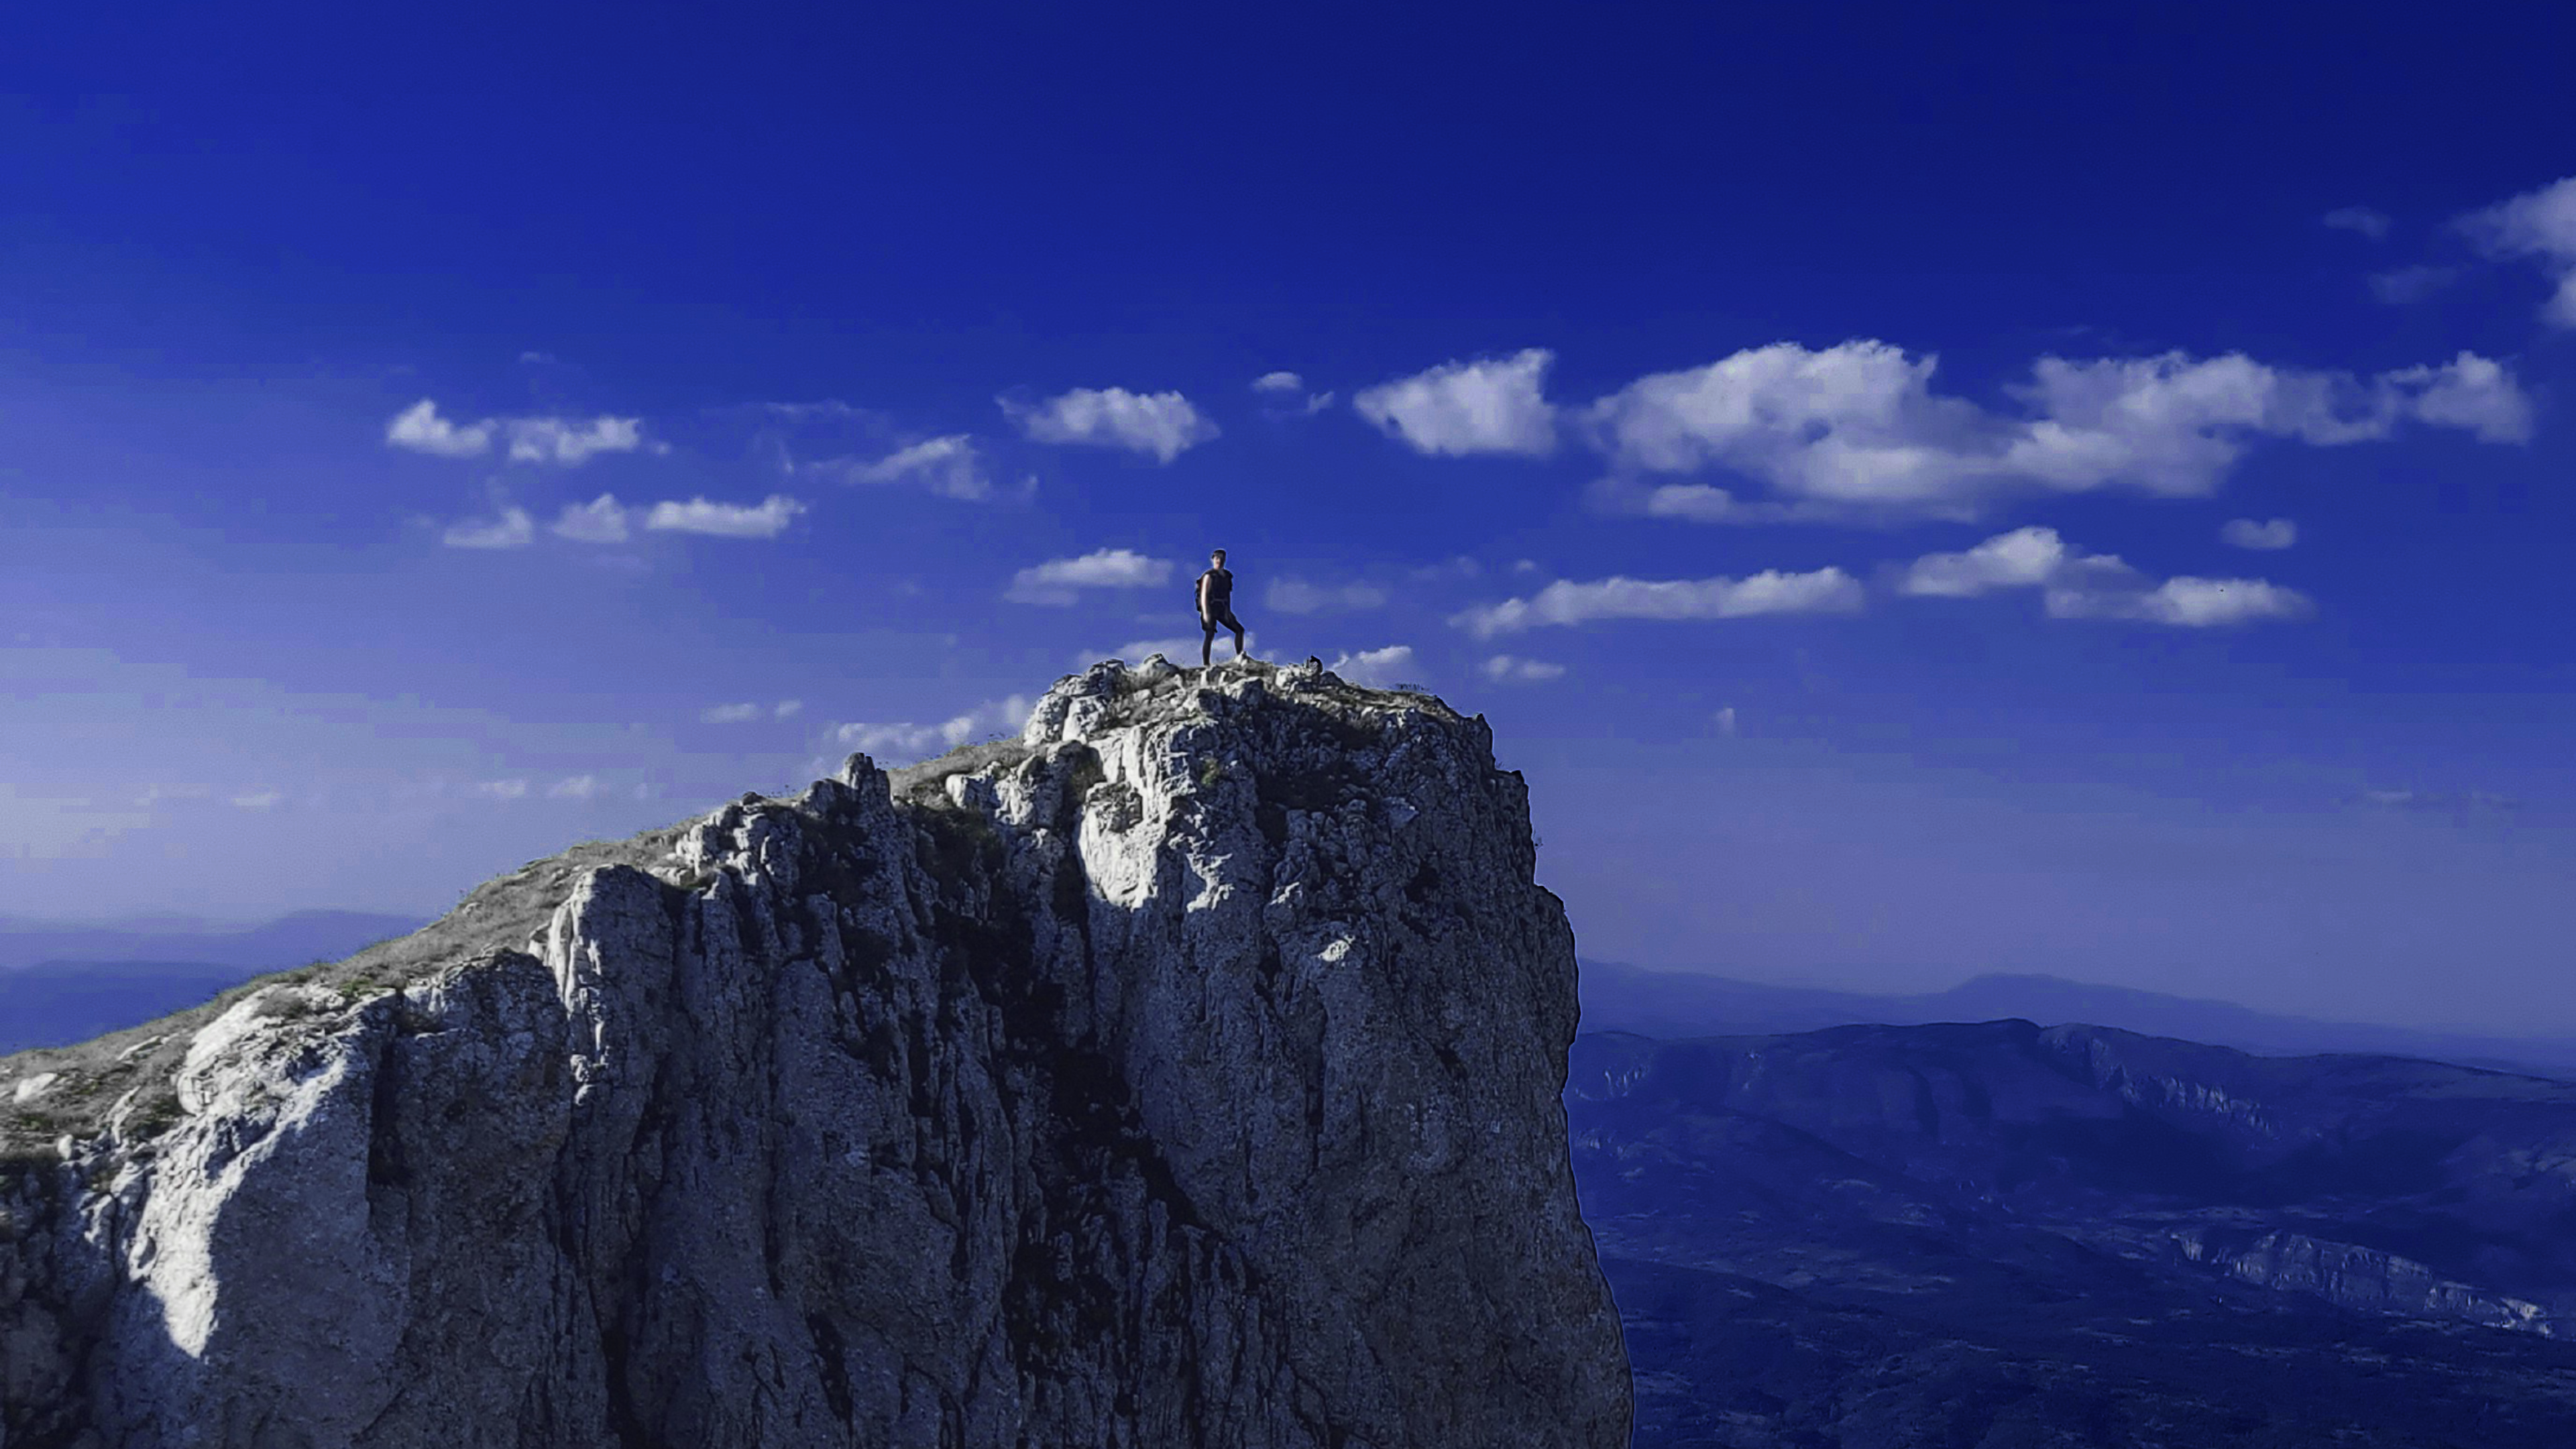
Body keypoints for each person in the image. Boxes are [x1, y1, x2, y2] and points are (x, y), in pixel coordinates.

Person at [1196, 548, 1247, 668]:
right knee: (1210, 634)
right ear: (1213, 560)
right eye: (1217, 558)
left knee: (1239, 630)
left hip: (1222, 608)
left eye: (1222, 558)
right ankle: (1206, 664)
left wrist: (1228, 612)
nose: (1219, 561)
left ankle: (1240, 657)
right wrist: (1206, 613)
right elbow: (1204, 595)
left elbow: (1228, 595)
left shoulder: (1227, 577)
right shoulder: (1209, 576)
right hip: (1210, 607)